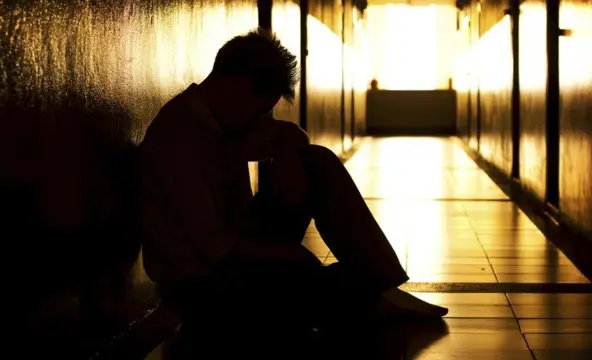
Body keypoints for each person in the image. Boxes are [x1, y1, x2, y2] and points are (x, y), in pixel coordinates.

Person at [137, 28, 448, 333]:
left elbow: (289, 134)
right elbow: (216, 248)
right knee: (314, 282)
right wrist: (291, 255)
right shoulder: (179, 140)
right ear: (235, 88)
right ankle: (367, 292)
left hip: (237, 250)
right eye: (259, 109)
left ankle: (375, 285)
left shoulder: (222, 118)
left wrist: (287, 152)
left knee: (316, 161)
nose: (259, 118)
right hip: (203, 285)